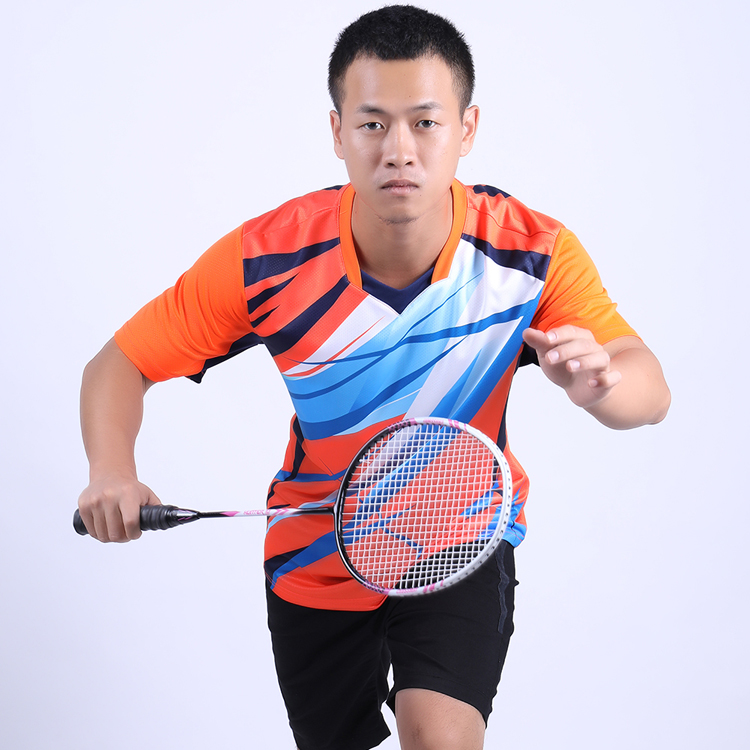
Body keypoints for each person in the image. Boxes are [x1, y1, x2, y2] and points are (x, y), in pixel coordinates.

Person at [77, 5, 670, 749]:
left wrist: (603, 386)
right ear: (337, 133)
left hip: (460, 535)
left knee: (440, 737)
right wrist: (112, 471)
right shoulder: (267, 258)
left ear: (467, 129)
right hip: (313, 552)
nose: (399, 151)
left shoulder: (529, 252)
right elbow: (119, 363)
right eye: (372, 124)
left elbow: (650, 389)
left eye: (425, 123)